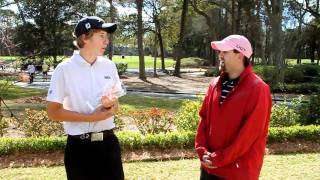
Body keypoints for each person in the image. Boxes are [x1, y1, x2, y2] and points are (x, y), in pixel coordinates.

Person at [46, 16, 124, 180]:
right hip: (80, 149)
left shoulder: (109, 66)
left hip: (109, 145)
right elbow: (53, 112)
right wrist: (90, 117)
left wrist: (110, 105)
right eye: (101, 36)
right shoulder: (64, 69)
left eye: (107, 37)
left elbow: (116, 106)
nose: (107, 41)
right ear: (85, 38)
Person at [195, 35, 272, 180]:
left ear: (240, 55)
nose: (220, 55)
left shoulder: (258, 89)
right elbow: (204, 120)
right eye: (220, 51)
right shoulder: (214, 84)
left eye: (225, 51)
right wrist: (202, 151)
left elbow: (249, 135)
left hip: (238, 173)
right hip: (208, 168)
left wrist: (219, 158)